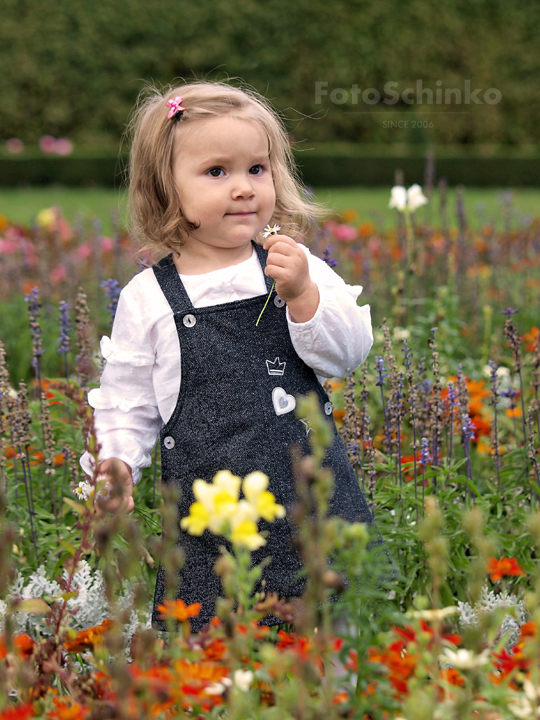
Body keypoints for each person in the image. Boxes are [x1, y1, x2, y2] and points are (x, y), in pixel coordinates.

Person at [80, 81, 378, 633]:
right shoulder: (149, 298)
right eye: (217, 172)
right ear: (164, 187)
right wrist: (117, 463)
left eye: (257, 170)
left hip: (310, 506)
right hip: (210, 533)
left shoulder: (290, 264)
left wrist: (304, 297)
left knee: (334, 637)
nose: (243, 188)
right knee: (218, 654)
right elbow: (128, 400)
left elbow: (348, 354)